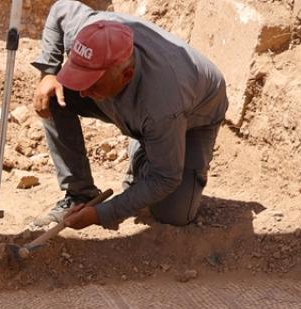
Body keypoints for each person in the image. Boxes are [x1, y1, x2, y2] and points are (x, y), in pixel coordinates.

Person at [31, 1, 228, 230]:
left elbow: (166, 177)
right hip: (145, 107)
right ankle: (79, 194)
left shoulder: (161, 105)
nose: (83, 92)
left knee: (173, 214)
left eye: (92, 84)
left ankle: (148, 149)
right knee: (55, 95)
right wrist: (48, 72)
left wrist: (102, 214)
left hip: (195, 115)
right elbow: (60, 9)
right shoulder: (88, 33)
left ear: (127, 74)